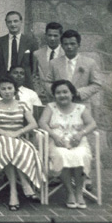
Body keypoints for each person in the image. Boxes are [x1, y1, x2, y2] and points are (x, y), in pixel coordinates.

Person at [0, 76, 44, 211]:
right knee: (8, 148)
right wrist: (3, 132)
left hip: (18, 139)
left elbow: (33, 124)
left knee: (12, 148)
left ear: (15, 90)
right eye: (3, 89)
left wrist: (18, 132)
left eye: (10, 88)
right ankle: (20, 187)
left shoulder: (22, 105)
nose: (7, 91)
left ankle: (15, 191)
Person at [39, 80, 97, 209]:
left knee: (81, 156)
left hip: (78, 142)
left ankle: (79, 192)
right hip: (57, 142)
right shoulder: (50, 107)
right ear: (54, 95)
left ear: (72, 94)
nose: (62, 95)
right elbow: (42, 123)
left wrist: (81, 133)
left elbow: (92, 124)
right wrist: (53, 135)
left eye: (65, 92)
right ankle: (70, 193)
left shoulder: (80, 108)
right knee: (62, 155)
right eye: (58, 93)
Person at [47, 29, 102, 107]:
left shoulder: (89, 63)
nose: (69, 47)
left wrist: (79, 93)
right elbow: (47, 82)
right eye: (66, 44)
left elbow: (97, 84)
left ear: (79, 45)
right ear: (62, 46)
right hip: (60, 105)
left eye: (72, 44)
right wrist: (59, 93)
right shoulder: (54, 63)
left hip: (81, 104)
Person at [0, 11, 38, 87]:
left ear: (21, 22)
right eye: (9, 22)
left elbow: (34, 65)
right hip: (4, 80)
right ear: (6, 23)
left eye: (15, 21)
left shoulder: (31, 42)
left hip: (24, 82)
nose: (13, 24)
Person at [33, 22, 64, 103]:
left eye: (55, 36)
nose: (52, 38)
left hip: (62, 97)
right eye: (49, 35)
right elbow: (34, 75)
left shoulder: (65, 54)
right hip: (42, 98)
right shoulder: (37, 54)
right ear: (45, 36)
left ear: (61, 36)